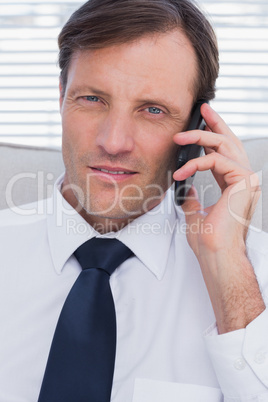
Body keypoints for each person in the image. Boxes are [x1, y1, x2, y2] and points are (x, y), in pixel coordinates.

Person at [0, 0, 268, 401]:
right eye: (92, 99)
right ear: (61, 97)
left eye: (153, 110)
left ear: (197, 127)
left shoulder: (252, 280)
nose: (113, 142)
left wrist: (229, 279)